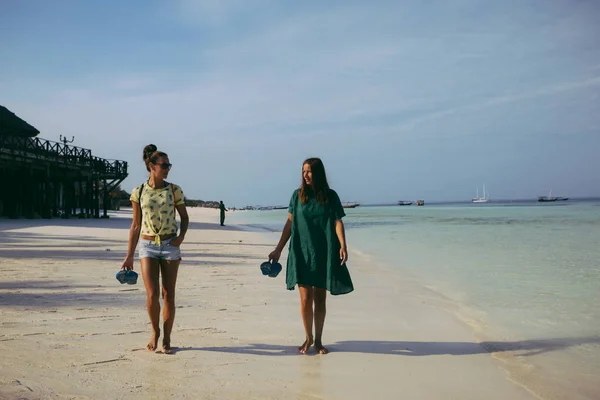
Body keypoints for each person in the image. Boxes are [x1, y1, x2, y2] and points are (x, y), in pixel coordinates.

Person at [268, 157, 353, 355]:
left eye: (310, 171)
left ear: (318, 173)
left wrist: (343, 245)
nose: (306, 175)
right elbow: (289, 224)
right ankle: (308, 338)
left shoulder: (330, 196)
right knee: (306, 299)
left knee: (320, 298)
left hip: (324, 251)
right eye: (304, 171)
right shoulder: (297, 196)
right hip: (301, 250)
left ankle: (319, 341)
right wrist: (278, 248)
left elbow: (337, 221)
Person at [121, 144, 189, 354]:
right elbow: (135, 225)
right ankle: (155, 332)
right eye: (164, 165)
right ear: (152, 166)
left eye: (169, 165)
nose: (168, 168)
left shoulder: (174, 189)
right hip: (147, 245)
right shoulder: (138, 191)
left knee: (168, 294)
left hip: (170, 246)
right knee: (152, 294)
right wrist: (129, 255)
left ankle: (167, 338)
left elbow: (185, 217)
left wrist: (180, 238)